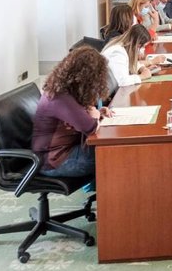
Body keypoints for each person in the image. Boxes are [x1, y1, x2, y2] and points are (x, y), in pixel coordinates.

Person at [32, 46, 112, 178]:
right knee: (111, 152)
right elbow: (90, 127)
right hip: (54, 161)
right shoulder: (60, 98)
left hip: (63, 151)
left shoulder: (63, 89)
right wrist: (95, 116)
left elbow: (79, 116)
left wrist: (97, 112)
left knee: (112, 148)